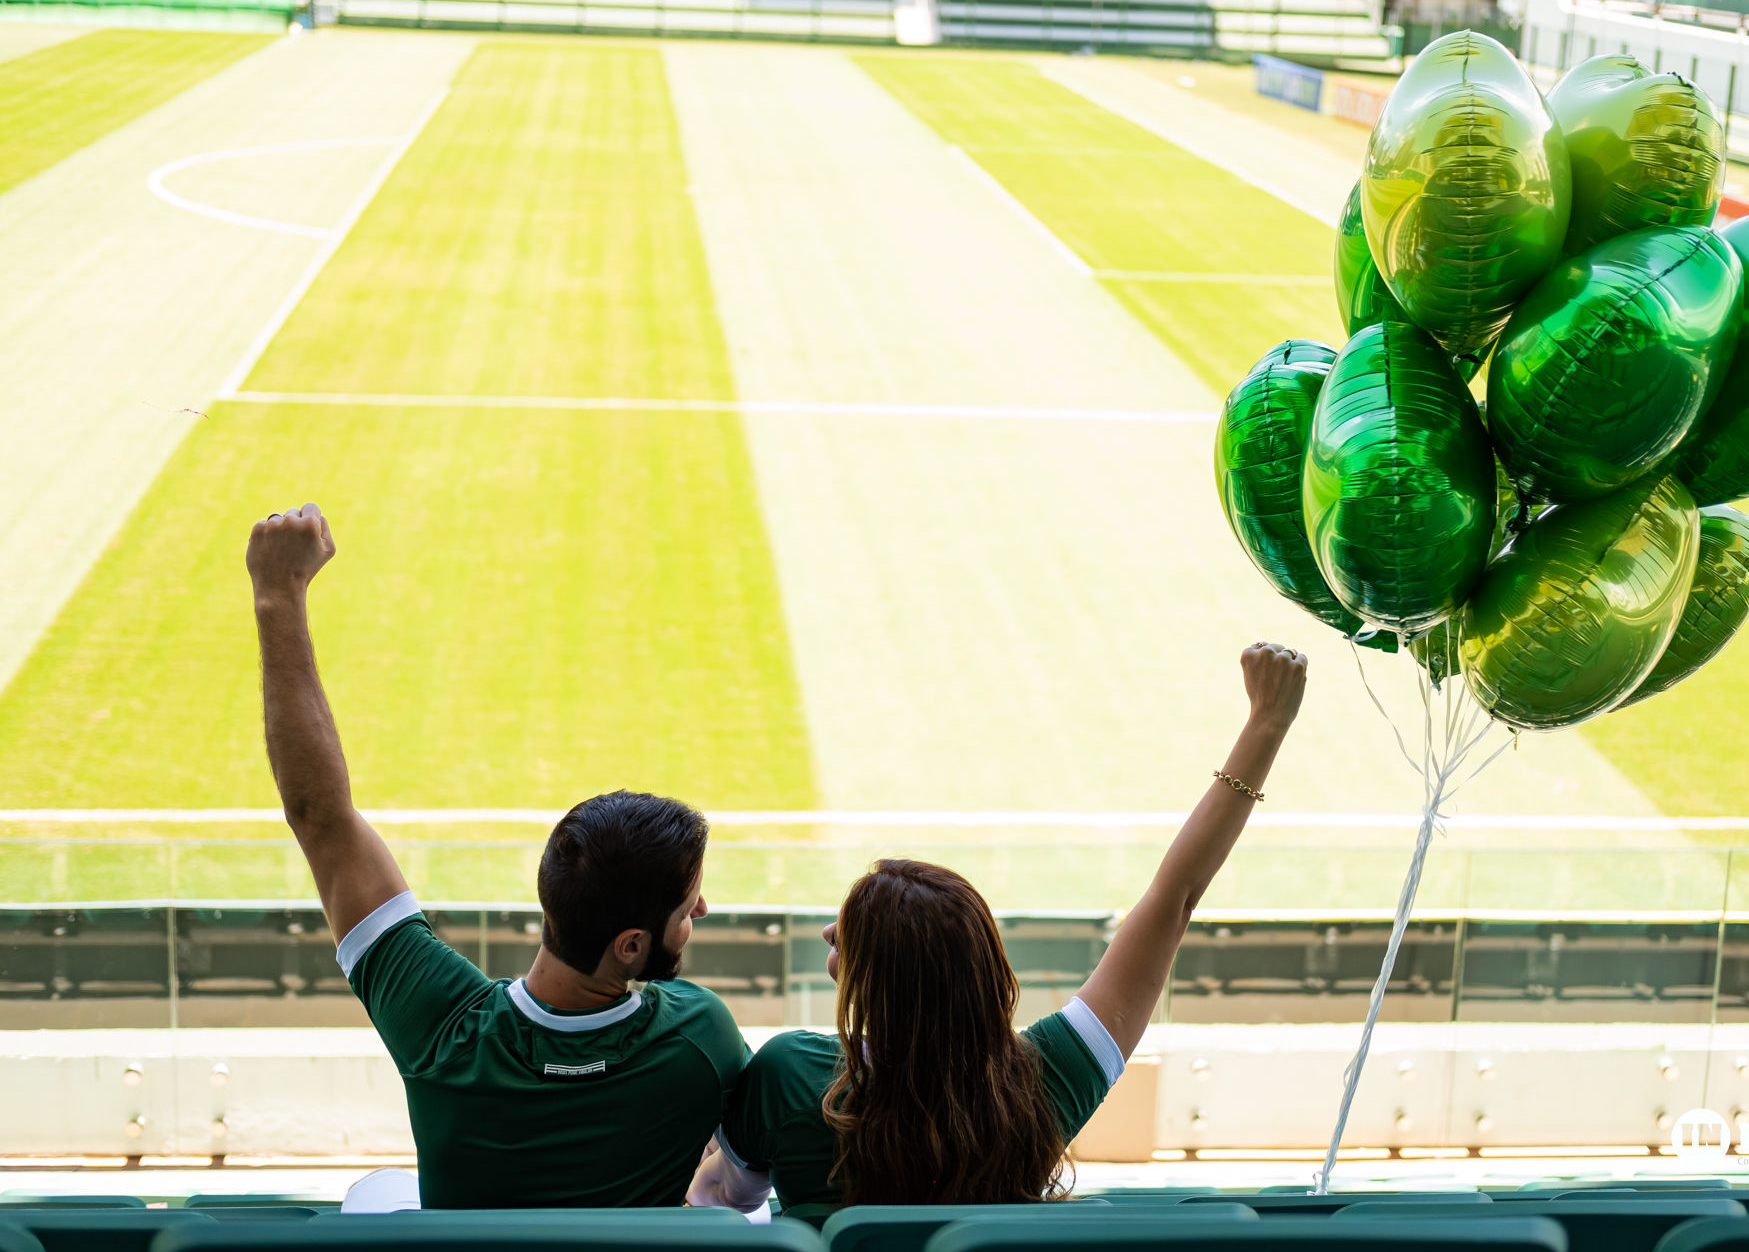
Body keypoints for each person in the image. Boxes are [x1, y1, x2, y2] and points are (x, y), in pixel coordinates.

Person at [248, 503, 749, 1208]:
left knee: (378, 1197)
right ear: (630, 945)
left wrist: (278, 596)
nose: (701, 906)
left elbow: (320, 820)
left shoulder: (438, 1024)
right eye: (687, 900)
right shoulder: (703, 1038)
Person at [687, 642, 1308, 1210]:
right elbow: (1175, 899)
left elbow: (724, 1199)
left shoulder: (791, 1071)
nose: (830, 932)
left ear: (882, 981)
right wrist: (1266, 725)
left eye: (853, 929)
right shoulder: (1045, 1080)